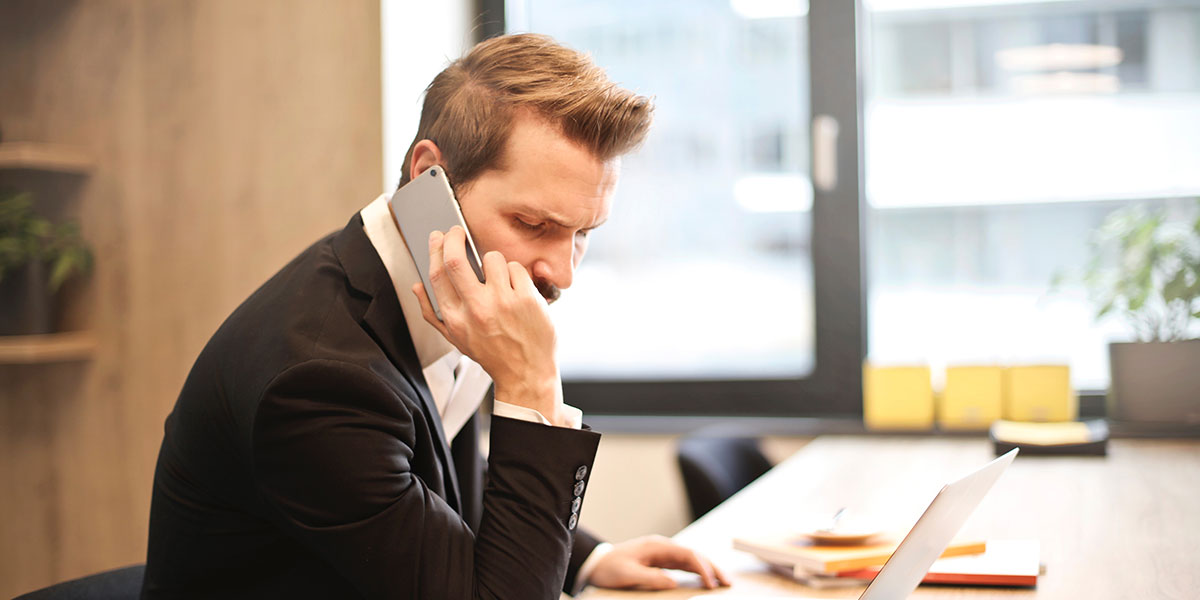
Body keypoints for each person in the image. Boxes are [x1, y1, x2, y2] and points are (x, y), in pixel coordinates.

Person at [142, 33, 730, 599]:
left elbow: (441, 487)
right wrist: (532, 387)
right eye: (533, 224)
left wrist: (588, 559)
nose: (562, 272)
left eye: (582, 234)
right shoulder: (317, 381)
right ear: (431, 176)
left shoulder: (437, 287)